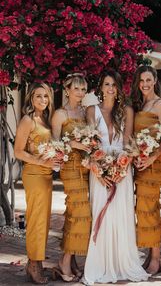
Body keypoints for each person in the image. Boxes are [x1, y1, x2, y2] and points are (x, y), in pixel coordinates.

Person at [82, 70, 150, 284]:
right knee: (102, 215)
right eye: (106, 84)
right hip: (99, 171)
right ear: (100, 87)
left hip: (122, 171)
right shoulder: (91, 110)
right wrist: (99, 171)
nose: (110, 88)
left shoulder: (127, 111)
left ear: (119, 88)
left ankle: (122, 262)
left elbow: (129, 144)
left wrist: (121, 169)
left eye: (114, 84)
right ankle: (101, 264)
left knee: (120, 216)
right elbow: (90, 145)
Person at [14, 82, 57, 284]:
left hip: (47, 174)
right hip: (34, 174)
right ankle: (33, 264)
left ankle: (37, 261)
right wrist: (40, 161)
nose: (42, 100)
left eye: (45, 96)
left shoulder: (46, 119)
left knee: (44, 221)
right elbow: (18, 151)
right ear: (31, 98)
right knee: (36, 220)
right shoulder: (27, 120)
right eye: (38, 96)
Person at [51, 73, 91, 282]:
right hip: (70, 167)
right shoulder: (60, 114)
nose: (81, 93)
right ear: (67, 90)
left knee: (74, 213)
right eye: (76, 88)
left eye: (83, 89)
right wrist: (74, 144)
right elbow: (55, 143)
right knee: (79, 211)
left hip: (86, 167)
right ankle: (64, 262)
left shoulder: (86, 112)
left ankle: (71, 260)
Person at [131, 65, 161, 275]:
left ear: (155, 80)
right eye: (141, 80)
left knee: (149, 208)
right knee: (143, 208)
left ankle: (156, 257)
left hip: (154, 164)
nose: (144, 84)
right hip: (141, 163)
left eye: (148, 80)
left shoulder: (160, 104)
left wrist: (152, 157)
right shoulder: (141, 104)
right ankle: (151, 254)